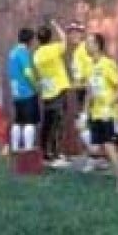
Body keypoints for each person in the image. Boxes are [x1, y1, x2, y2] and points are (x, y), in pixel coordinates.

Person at [84, 32, 118, 191]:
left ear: (97, 46)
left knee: (109, 146)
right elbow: (89, 91)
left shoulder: (108, 64)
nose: (86, 46)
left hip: (109, 114)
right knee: (94, 148)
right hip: (95, 113)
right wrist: (84, 112)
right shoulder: (89, 66)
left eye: (89, 42)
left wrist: (110, 102)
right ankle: (115, 163)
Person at [33, 19, 72, 167]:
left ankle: (44, 152)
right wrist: (56, 25)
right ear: (50, 38)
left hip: (47, 92)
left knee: (47, 124)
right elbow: (64, 39)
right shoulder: (54, 49)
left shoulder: (36, 55)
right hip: (59, 90)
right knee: (58, 123)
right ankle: (55, 154)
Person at [67, 21, 96, 161]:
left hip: (87, 93)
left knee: (82, 124)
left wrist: (73, 86)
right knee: (85, 125)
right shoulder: (79, 51)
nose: (72, 35)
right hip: (83, 91)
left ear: (82, 33)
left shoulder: (82, 51)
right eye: (70, 32)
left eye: (76, 32)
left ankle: (95, 155)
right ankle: (93, 156)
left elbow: (90, 78)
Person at [8, 28, 40, 153]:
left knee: (18, 120)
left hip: (16, 93)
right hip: (26, 91)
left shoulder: (12, 52)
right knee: (29, 121)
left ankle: (15, 147)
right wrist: (35, 86)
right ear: (31, 40)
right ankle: (28, 148)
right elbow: (28, 73)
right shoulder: (23, 52)